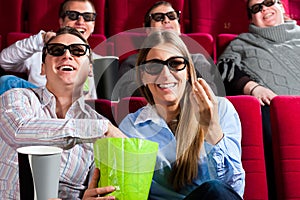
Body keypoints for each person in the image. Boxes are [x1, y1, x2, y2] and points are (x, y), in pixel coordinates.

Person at [0, 26, 125, 200]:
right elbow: (18, 131)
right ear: (42, 68)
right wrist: (101, 129)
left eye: (77, 51)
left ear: (90, 69)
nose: (67, 55)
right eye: (56, 50)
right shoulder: (16, 98)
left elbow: (93, 189)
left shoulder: (98, 124)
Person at [118, 30, 245, 199]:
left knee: (214, 190)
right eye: (154, 66)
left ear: (188, 71)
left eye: (175, 64)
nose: (165, 74)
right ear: (143, 76)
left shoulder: (220, 109)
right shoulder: (132, 126)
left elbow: (234, 189)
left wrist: (211, 128)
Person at [217, 0, 300, 199]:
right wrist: (253, 87)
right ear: (251, 18)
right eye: (256, 8)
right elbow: (223, 70)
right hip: (273, 116)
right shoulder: (241, 43)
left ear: (281, 6)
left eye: (269, 2)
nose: (263, 9)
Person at [116, 1, 225, 98]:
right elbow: (125, 90)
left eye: (172, 16)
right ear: (147, 29)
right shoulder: (133, 62)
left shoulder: (197, 59)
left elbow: (211, 91)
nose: (166, 20)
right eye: (158, 17)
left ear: (179, 26)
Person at [0, 0, 100, 98]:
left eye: (88, 17)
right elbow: (4, 61)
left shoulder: (102, 62)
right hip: (38, 105)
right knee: (7, 81)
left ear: (93, 25)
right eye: (73, 15)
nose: (80, 22)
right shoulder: (39, 52)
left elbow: (104, 105)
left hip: (76, 107)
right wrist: (41, 39)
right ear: (61, 21)